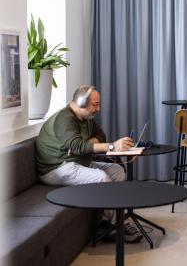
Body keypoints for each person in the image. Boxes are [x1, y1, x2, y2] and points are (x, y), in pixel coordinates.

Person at [36, 85, 142, 243]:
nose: (98, 109)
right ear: (81, 102)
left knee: (117, 170)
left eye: (98, 104)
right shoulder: (64, 119)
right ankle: (117, 226)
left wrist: (85, 143)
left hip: (77, 162)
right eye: (95, 104)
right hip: (56, 168)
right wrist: (112, 146)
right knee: (101, 178)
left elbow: (101, 135)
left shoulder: (86, 118)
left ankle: (107, 222)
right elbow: (79, 147)